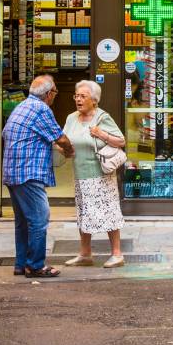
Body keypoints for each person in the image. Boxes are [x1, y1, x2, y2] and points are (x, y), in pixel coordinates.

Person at [2, 75, 73, 278]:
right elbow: (60, 137)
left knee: (23, 221)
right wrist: (69, 151)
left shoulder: (22, 106)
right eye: (55, 93)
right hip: (28, 172)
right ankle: (35, 265)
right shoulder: (41, 109)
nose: (55, 97)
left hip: (12, 171)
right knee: (39, 219)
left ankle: (21, 263)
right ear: (49, 94)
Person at [61, 80, 127, 269]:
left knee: (109, 212)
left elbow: (120, 140)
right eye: (76, 96)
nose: (78, 100)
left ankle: (117, 254)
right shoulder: (71, 118)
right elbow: (64, 140)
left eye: (83, 96)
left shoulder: (102, 117)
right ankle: (85, 253)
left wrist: (101, 134)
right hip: (80, 174)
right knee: (83, 213)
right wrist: (62, 148)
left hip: (101, 175)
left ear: (94, 100)